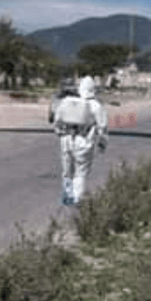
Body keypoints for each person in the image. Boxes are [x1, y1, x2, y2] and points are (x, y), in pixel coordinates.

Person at [50, 76, 108, 207]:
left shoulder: (68, 102)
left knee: (67, 171)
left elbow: (57, 120)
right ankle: (77, 198)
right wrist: (102, 143)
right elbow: (102, 127)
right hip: (84, 140)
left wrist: (59, 133)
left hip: (66, 140)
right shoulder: (96, 106)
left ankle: (67, 196)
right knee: (80, 172)